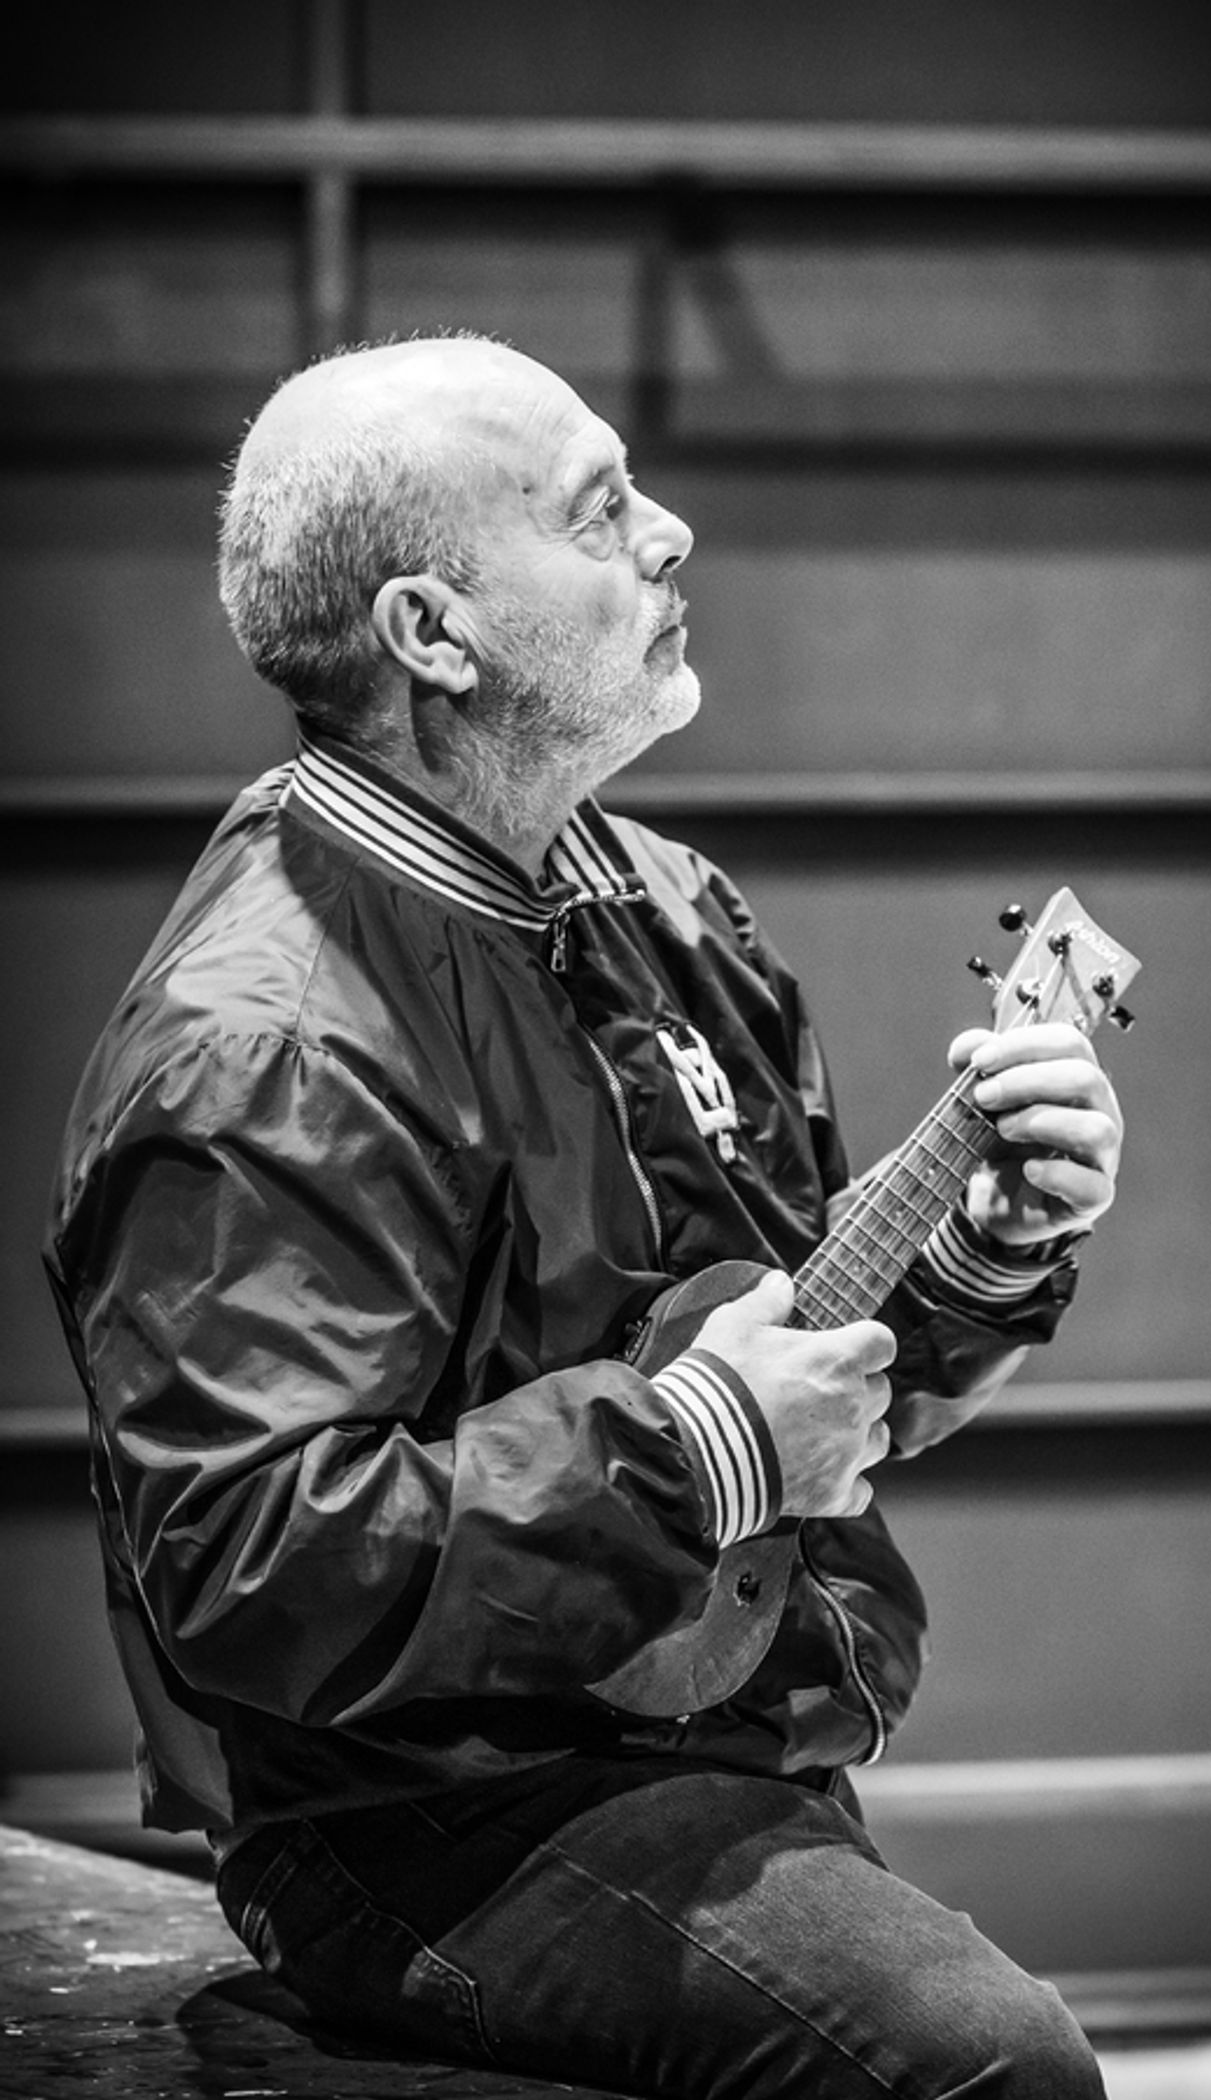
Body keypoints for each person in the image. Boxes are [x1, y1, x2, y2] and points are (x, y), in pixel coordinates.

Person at [46, 334, 1123, 2098]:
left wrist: (983, 1252)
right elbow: (252, 1572)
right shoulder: (265, 1042)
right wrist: (693, 1448)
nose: (673, 536)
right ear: (431, 635)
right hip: (419, 1818)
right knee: (986, 2070)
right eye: (598, 512)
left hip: (692, 1730)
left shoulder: (672, 910)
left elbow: (808, 1383)